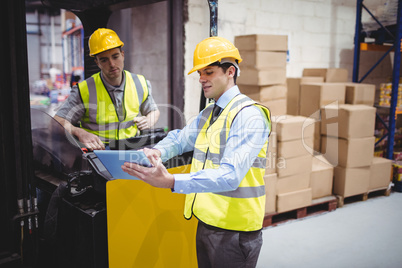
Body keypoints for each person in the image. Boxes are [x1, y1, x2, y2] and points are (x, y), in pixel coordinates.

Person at [121, 36, 271, 268]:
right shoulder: (210, 112)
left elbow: (230, 175)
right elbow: (180, 139)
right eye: (200, 73)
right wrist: (156, 152)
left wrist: (172, 181)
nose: (201, 79)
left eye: (209, 72)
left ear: (230, 71)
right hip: (207, 223)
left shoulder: (248, 116)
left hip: (235, 230)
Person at [54, 28, 160, 150]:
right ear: (97, 62)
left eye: (115, 57)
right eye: (104, 60)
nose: (112, 64)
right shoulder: (84, 90)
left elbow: (153, 111)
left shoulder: (140, 83)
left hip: (131, 148)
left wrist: (149, 120)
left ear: (122, 55)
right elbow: (57, 121)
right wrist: (79, 132)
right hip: (99, 152)